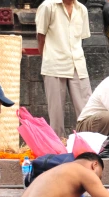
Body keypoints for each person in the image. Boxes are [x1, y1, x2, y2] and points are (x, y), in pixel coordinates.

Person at [36, 0, 93, 139]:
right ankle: (57, 146)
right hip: (54, 62)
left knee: (87, 109)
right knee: (56, 113)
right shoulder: (48, 6)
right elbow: (40, 36)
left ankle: (87, 142)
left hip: (77, 63)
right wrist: (46, 58)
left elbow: (81, 38)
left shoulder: (82, 9)